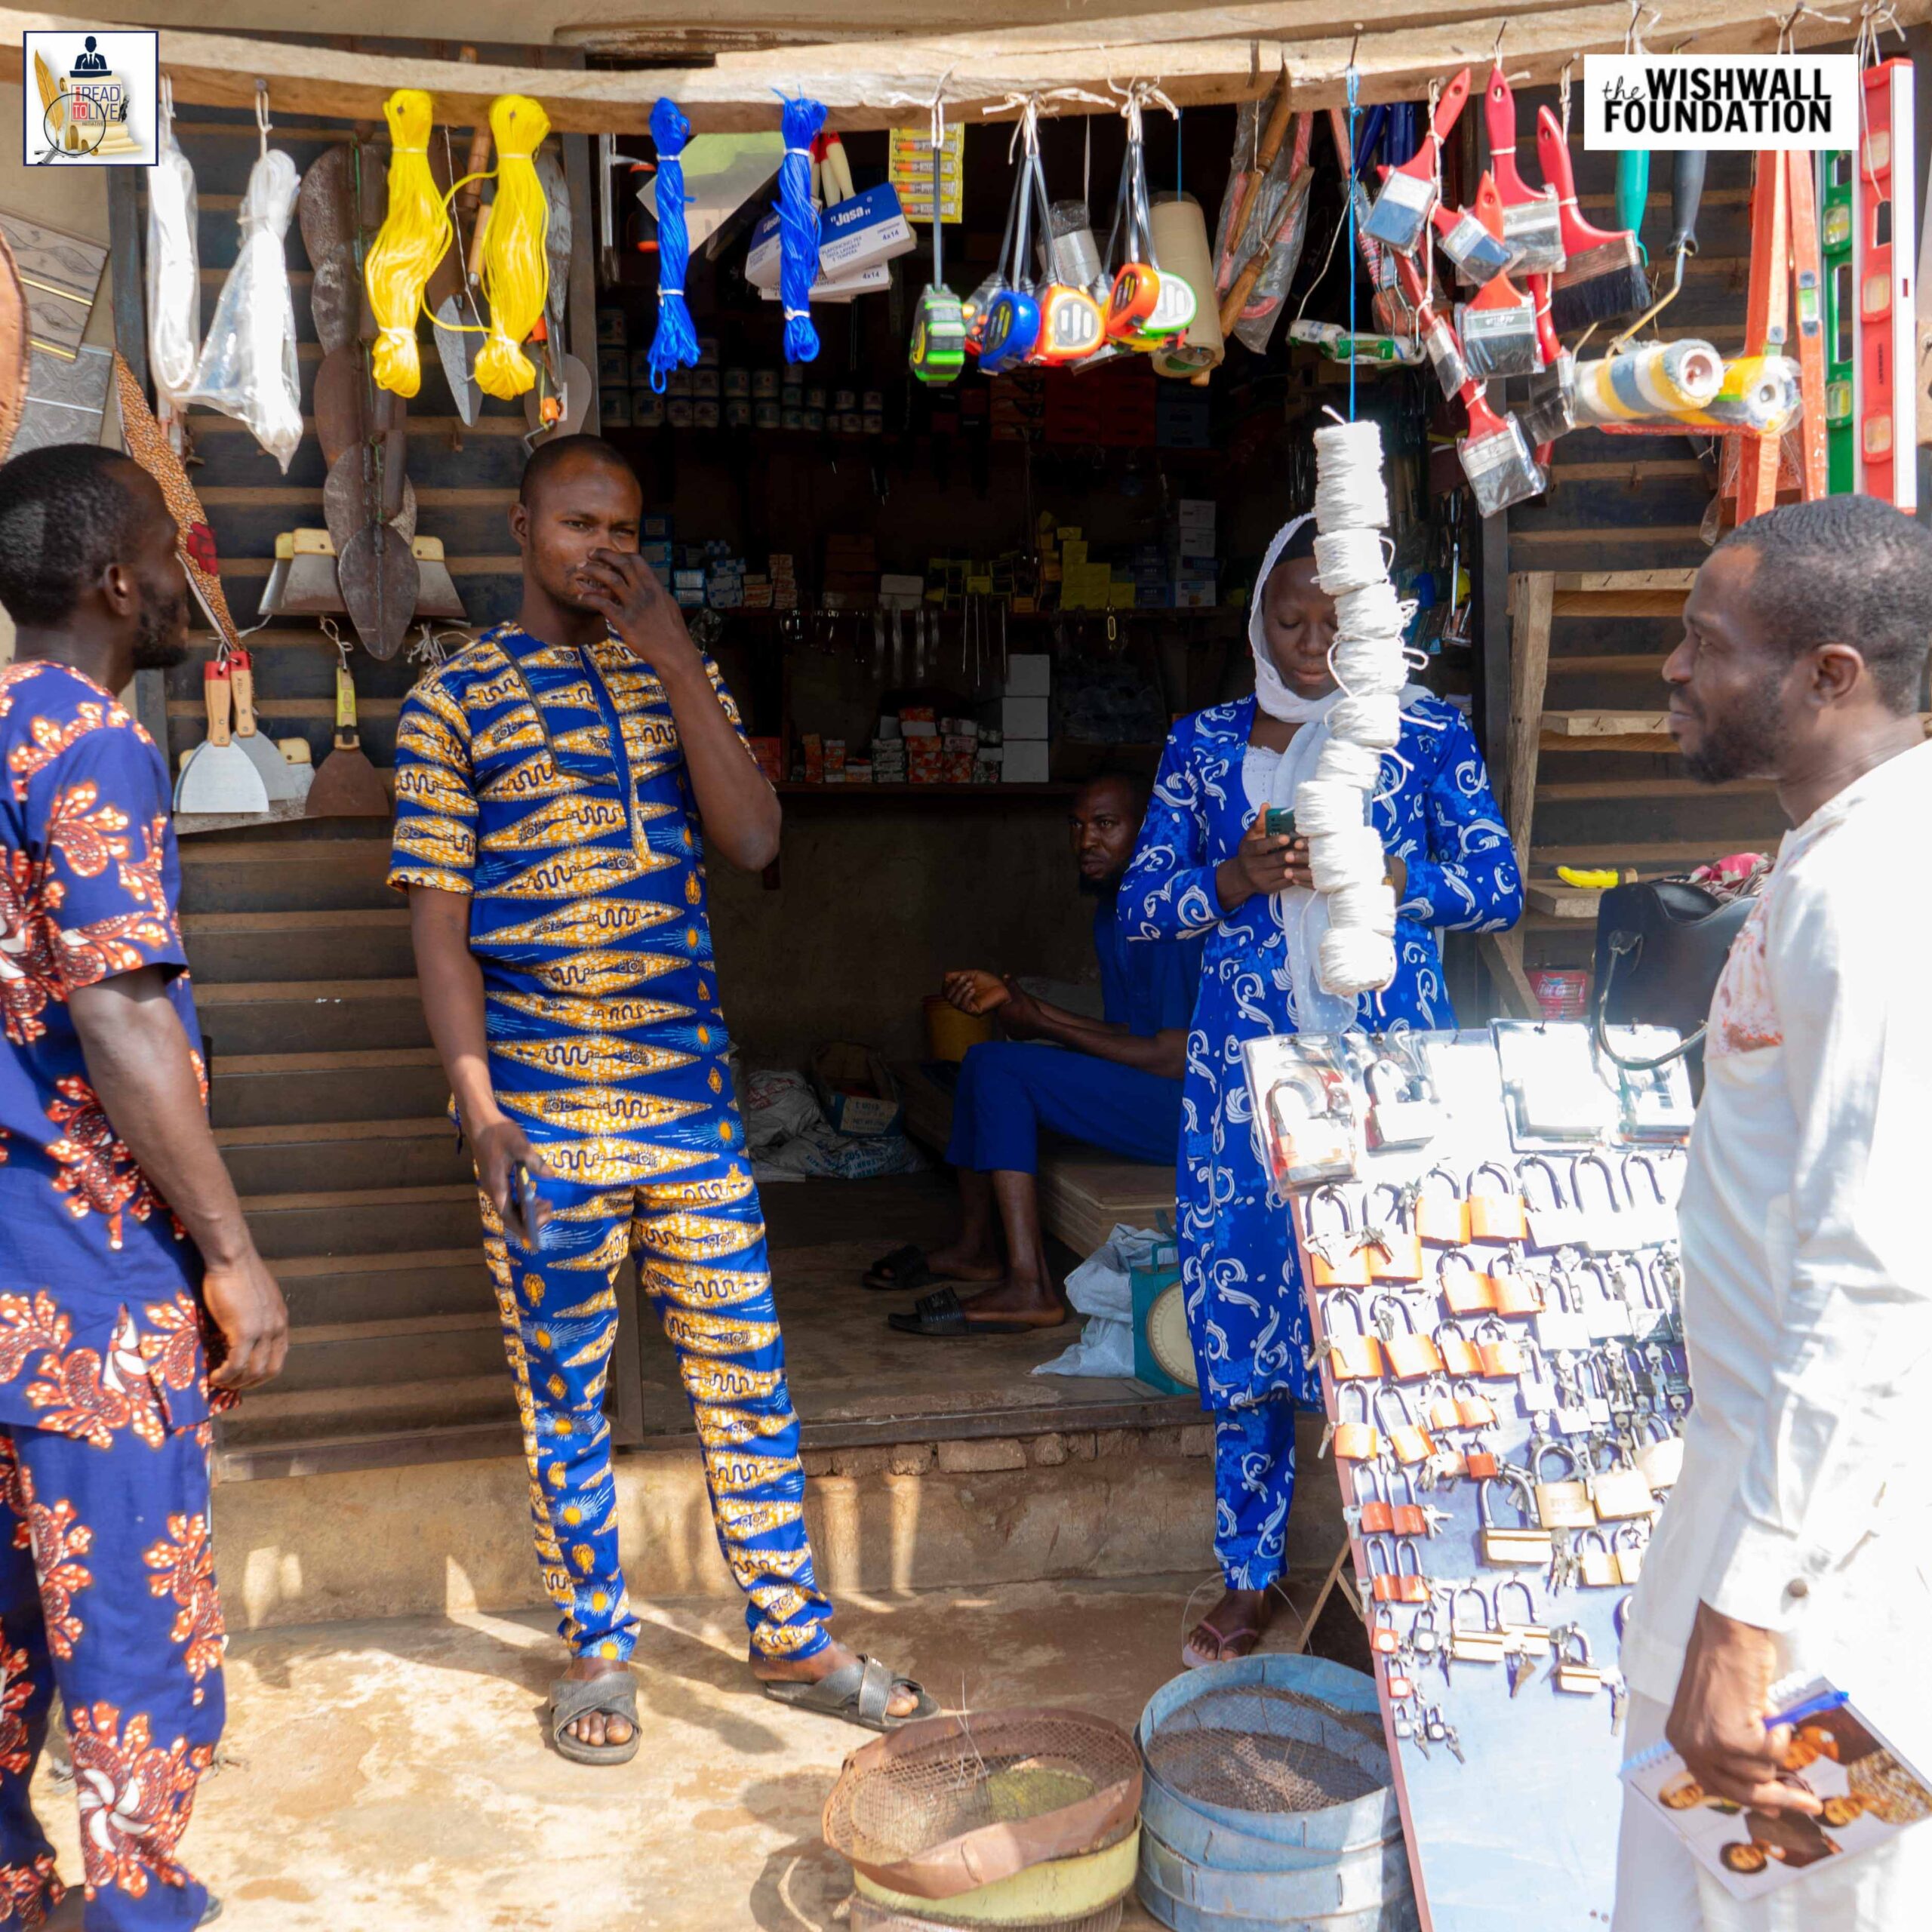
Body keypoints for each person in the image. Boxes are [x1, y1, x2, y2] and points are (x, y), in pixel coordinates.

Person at [389, 435, 932, 1764]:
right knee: (563, 1387)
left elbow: (755, 842)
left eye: (624, 528)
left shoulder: (666, 682)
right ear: (521, 528)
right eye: (579, 525)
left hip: (689, 1106)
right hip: (540, 1114)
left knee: (746, 1378)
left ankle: (792, 1636)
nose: (604, 551)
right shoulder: (449, 704)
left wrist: (683, 662)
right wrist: (477, 1106)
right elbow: (442, 937)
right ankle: (596, 1648)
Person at [1118, 512, 1520, 1666]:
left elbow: (1497, 885)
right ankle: (1250, 1577)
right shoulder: (1202, 748)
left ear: (1374, 626)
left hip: (1388, 1076)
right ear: (1257, 619)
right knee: (1246, 1323)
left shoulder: (1426, 738)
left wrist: (1398, 875)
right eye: (1288, 619)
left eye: (1335, 622)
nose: (1309, 641)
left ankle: (1402, 1565)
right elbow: (1144, 907)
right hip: (1241, 1091)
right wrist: (1233, 877)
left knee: (1396, 1308)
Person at [1613, 495, 1932, 1930]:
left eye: (1707, 643)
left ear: (1831, 676)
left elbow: (1875, 1278)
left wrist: (1745, 1611)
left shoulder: (1872, 897)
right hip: (1776, 1504)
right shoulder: (1832, 859)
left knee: (1785, 1896)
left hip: (1816, 1554)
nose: (1676, 670)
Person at [0, 444, 288, 1928]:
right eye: (169, 551)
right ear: (116, 580)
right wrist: (231, 1249)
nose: (186, 575)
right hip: (90, 1280)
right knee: (132, 1650)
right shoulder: (91, 740)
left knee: (4, 1642)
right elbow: (116, 1014)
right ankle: (132, 1911)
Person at [868, 773, 1202, 1337]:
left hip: (1196, 1114)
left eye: (1105, 825)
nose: (1085, 842)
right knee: (981, 1060)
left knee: (1003, 1068)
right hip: (1159, 1089)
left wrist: (1041, 1020)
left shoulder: (1171, 914)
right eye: (1076, 825)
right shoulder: (1114, 912)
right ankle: (978, 1249)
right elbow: (1127, 1029)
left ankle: (1032, 1287)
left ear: (1149, 831)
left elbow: (1173, 1057)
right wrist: (1023, 1005)